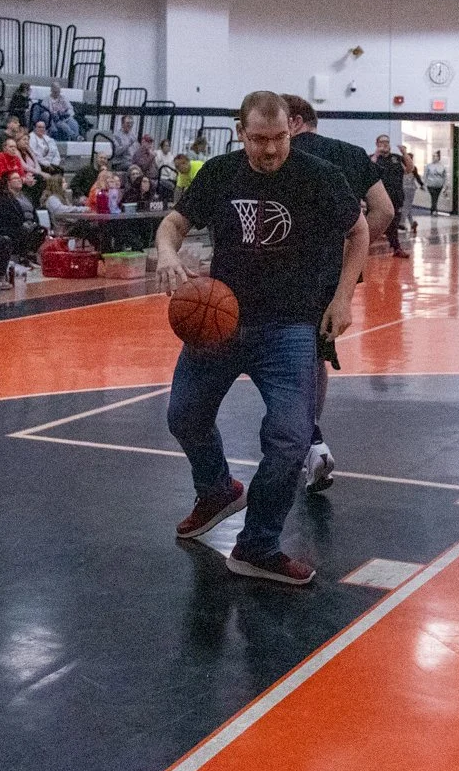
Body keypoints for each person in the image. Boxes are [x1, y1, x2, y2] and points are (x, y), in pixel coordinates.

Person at [155, 91, 368, 586]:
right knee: (183, 416)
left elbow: (358, 231)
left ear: (291, 129)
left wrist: (342, 298)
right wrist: (167, 252)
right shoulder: (220, 172)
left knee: (291, 438)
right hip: (223, 318)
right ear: (240, 133)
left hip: (289, 326)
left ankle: (257, 545)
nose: (270, 150)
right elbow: (174, 223)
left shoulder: (319, 176)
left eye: (278, 138)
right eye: (258, 139)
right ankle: (216, 489)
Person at [282, 95, 396, 494]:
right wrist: (351, 249)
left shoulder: (284, 157)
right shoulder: (351, 154)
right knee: (316, 356)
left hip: (286, 271)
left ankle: (308, 441)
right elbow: (384, 211)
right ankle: (310, 438)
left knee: (284, 356)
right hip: (335, 275)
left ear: (294, 121)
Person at [0, 172, 44, 265]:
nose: (19, 180)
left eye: (20, 178)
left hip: (30, 223)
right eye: (15, 178)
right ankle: (24, 257)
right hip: (13, 226)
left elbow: (33, 212)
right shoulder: (4, 198)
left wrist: (35, 222)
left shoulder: (26, 196)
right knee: (24, 230)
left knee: (41, 230)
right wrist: (23, 223)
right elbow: (7, 216)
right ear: (8, 182)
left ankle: (32, 256)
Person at [372, 135, 410, 256]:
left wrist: (405, 153)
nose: (385, 144)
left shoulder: (396, 158)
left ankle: (396, 247)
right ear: (377, 144)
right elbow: (368, 170)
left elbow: (409, 169)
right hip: (379, 196)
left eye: (387, 142)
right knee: (377, 223)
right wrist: (376, 154)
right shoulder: (373, 158)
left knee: (394, 223)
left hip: (396, 196)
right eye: (382, 142)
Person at [423, 150, 448, 216]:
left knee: (435, 197)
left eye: (435, 156)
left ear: (438, 157)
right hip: (430, 185)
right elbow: (425, 175)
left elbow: (445, 176)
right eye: (433, 156)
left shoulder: (442, 166)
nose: (434, 157)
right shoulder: (429, 166)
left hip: (439, 185)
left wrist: (445, 185)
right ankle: (434, 210)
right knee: (434, 196)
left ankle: (433, 209)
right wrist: (424, 184)